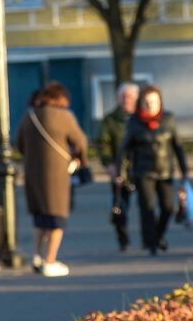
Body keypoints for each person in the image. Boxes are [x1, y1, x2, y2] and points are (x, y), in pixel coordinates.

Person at [15, 82, 88, 277]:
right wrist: (80, 159)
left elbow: (19, 144)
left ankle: (37, 256)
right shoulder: (64, 117)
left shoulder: (29, 117)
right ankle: (50, 260)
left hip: (32, 174)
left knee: (40, 219)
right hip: (57, 175)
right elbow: (81, 142)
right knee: (58, 219)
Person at [114, 84, 188, 256]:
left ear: (159, 102)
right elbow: (124, 149)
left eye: (153, 102)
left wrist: (184, 169)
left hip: (165, 171)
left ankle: (159, 234)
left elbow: (177, 146)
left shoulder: (169, 119)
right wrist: (121, 173)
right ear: (141, 103)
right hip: (143, 172)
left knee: (168, 207)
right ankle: (151, 242)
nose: (149, 105)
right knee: (147, 206)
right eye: (146, 102)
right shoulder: (135, 122)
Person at [97, 81, 139, 251]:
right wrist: (109, 164)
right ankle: (123, 240)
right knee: (120, 206)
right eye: (123, 96)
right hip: (120, 169)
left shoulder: (141, 118)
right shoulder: (110, 120)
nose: (126, 100)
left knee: (148, 205)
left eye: (130, 96)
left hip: (141, 168)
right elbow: (103, 143)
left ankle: (151, 238)